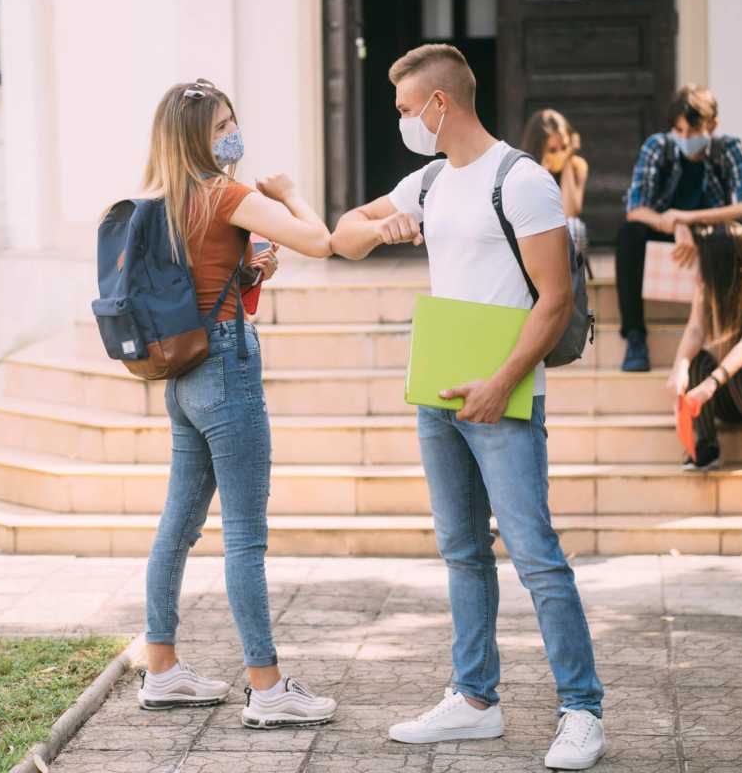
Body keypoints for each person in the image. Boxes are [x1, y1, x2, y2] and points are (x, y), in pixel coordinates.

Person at [330, 45, 606, 770]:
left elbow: (556, 300)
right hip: (438, 392)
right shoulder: (428, 181)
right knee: (461, 552)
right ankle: (476, 700)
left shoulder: (522, 181)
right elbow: (341, 236)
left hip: (504, 397)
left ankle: (582, 710)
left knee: (536, 556)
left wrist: (500, 382)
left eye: (405, 110)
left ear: (439, 104)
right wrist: (382, 227)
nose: (401, 122)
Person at [132, 79, 338, 729]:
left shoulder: (162, 199)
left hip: (183, 372)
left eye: (232, 121)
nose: (232, 134)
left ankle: (162, 669)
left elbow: (199, 278)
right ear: (197, 136)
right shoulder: (227, 194)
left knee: (177, 527)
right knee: (245, 536)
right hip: (226, 366)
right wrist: (289, 194)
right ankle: (268, 687)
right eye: (221, 125)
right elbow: (320, 241)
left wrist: (247, 273)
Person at [616, 84, 742, 372]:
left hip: (714, 236)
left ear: (712, 125)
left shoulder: (727, 148)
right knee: (629, 234)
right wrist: (673, 225)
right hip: (668, 235)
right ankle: (635, 337)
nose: (685, 138)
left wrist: (687, 219)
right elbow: (636, 208)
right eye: (679, 130)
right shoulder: (658, 146)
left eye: (693, 131)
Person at [670, 222, 742, 471]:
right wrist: (679, 368)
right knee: (698, 362)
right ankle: (706, 445)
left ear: (720, 264)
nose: (697, 268)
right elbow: (695, 331)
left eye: (702, 261)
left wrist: (710, 384)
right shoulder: (709, 291)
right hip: (738, 395)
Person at [521, 108, 590, 273]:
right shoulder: (524, 170)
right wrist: (542, 175)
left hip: (563, 244)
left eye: (564, 147)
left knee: (574, 227)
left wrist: (566, 164)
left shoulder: (577, 167)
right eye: (552, 150)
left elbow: (570, 212)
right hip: (533, 237)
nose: (559, 153)